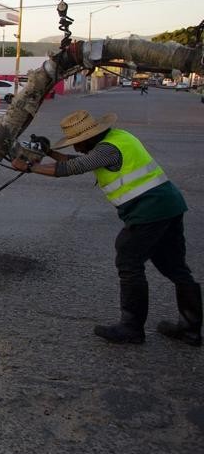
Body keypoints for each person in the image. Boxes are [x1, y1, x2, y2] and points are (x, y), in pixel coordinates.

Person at [12, 110, 199, 346]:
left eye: (76, 143)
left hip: (150, 209)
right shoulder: (117, 138)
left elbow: (71, 169)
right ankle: (190, 329)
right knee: (174, 267)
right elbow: (77, 162)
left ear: (90, 137)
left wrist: (28, 167)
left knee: (129, 261)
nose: (76, 147)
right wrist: (48, 152)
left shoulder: (107, 149)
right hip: (168, 204)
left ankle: (132, 328)